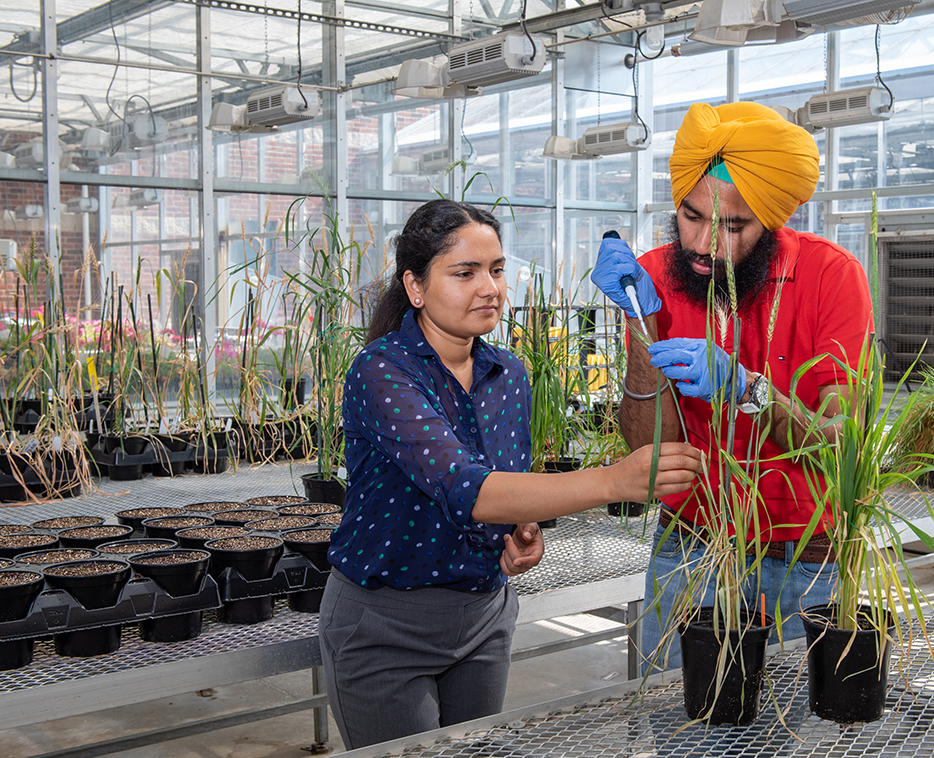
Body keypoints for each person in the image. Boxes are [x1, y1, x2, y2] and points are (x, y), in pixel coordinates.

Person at [318, 198, 703, 749]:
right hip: (386, 624)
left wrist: (523, 531)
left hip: (483, 619)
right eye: (465, 272)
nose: (489, 287)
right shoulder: (383, 370)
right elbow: (466, 487)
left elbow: (503, 486)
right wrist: (614, 481)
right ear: (416, 286)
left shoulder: (508, 374)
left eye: (497, 270)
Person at [590, 102, 874, 674]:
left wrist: (750, 391)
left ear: (772, 222)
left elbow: (843, 445)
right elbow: (650, 453)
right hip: (689, 546)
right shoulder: (653, 277)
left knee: (805, 725)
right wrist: (644, 330)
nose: (703, 243)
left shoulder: (830, 276)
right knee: (678, 722)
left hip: (802, 558)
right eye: (691, 216)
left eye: (732, 226)